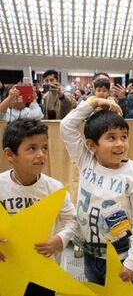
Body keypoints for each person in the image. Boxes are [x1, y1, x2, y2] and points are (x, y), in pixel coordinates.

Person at [60, 98, 133, 285]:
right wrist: (94, 102)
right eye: (111, 137)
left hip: (120, 256)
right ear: (92, 145)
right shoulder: (87, 161)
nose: (120, 143)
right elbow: (66, 126)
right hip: (89, 252)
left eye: (123, 137)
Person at [0, 119, 77, 296]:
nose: (41, 154)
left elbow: (71, 220)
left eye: (44, 148)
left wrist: (59, 240)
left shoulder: (54, 188)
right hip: (8, 267)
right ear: (10, 154)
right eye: (32, 148)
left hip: (42, 269)